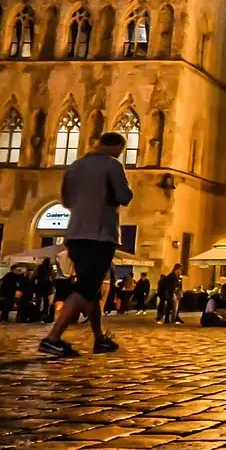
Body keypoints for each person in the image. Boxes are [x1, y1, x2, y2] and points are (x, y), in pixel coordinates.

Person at [40, 130, 133, 358]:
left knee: (90, 291)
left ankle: (100, 339)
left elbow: (66, 201)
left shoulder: (74, 167)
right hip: (100, 235)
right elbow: (124, 197)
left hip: (75, 234)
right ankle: (52, 338)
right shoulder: (112, 166)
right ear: (118, 148)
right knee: (85, 289)